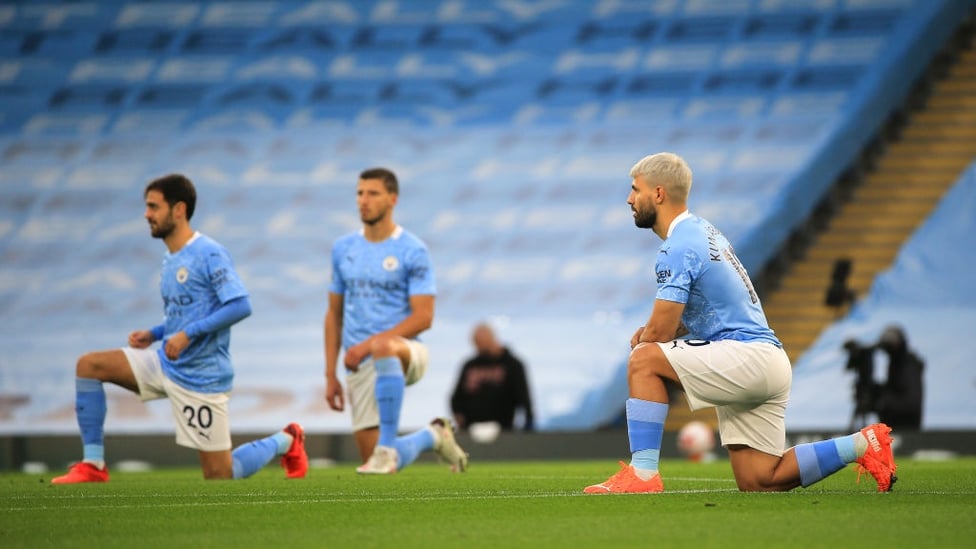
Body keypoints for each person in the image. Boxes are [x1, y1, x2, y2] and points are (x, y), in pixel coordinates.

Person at [584, 152, 897, 494]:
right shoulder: (704, 232)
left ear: (658, 194)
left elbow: (659, 334)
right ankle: (863, 444)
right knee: (761, 480)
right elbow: (712, 309)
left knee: (643, 358)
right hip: (767, 361)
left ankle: (642, 475)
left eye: (635, 190)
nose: (629, 199)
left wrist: (647, 336)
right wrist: (655, 332)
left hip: (745, 356)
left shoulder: (678, 246)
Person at [52, 174, 307, 484]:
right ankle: (93, 464)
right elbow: (185, 315)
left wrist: (189, 334)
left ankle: (287, 440)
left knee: (220, 475)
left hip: (202, 377)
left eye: (153, 207)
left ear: (179, 209)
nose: (147, 214)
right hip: (165, 363)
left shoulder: (209, 253)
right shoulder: (171, 258)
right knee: (89, 365)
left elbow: (240, 305)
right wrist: (155, 334)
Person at [323, 167, 468, 474]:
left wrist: (369, 345)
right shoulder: (343, 248)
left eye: (372, 193)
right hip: (359, 363)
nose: (364, 200)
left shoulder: (412, 249)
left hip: (405, 351)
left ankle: (387, 449)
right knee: (372, 463)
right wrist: (330, 374)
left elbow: (424, 317)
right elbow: (333, 314)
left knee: (385, 346)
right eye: (360, 193)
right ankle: (432, 436)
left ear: (392, 199)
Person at [451, 322, 534, 432]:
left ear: (492, 339)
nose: (479, 348)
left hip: (504, 431)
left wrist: (528, 424)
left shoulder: (513, 365)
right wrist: (459, 417)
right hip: (472, 430)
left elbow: (524, 397)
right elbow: (456, 397)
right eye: (477, 344)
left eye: (482, 344)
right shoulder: (470, 365)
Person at [875, 325, 924, 430]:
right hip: (898, 426)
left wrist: (883, 401)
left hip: (906, 427)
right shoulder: (896, 363)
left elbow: (910, 404)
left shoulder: (908, 364)